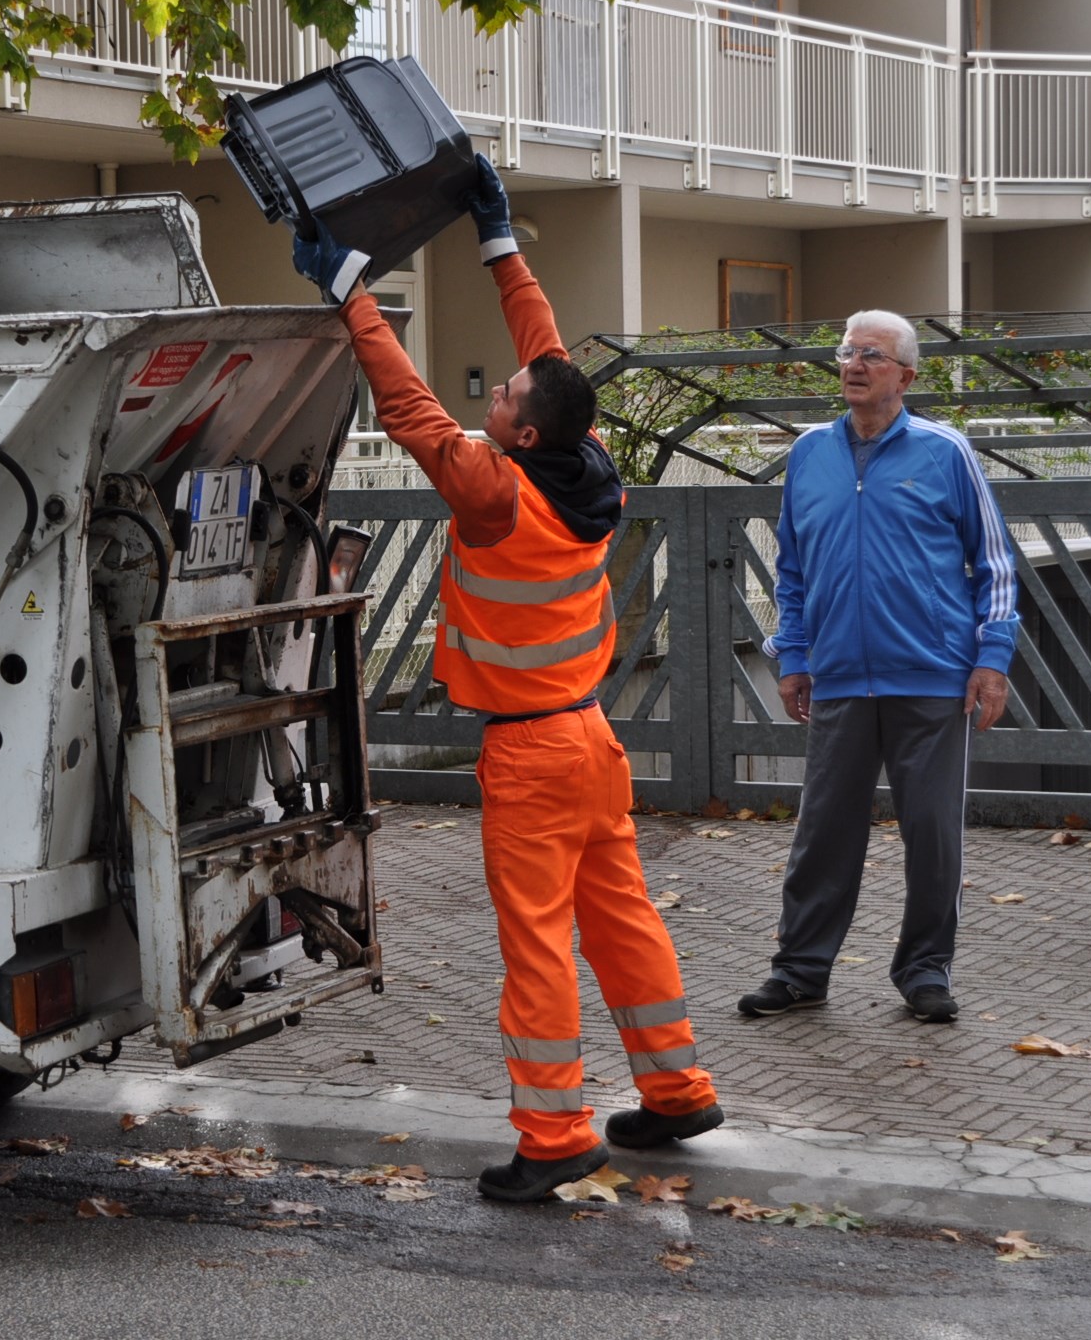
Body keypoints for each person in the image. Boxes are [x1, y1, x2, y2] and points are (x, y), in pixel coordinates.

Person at [291, 156, 723, 1202]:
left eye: (505, 398)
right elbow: (547, 353)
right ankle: (676, 1091)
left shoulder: (494, 494)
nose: (498, 387)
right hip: (590, 739)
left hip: (529, 752)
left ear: (521, 432)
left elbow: (408, 408)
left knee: (538, 944)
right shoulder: (589, 468)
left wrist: (347, 292)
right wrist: (497, 242)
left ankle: (554, 1133)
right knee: (620, 918)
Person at [745, 310, 1019, 1025]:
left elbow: (994, 563)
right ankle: (800, 971)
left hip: (932, 676)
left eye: (872, 354)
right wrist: (795, 655)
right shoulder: (809, 453)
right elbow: (793, 567)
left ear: (906, 374)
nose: (854, 364)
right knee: (823, 834)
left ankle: (925, 971)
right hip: (837, 676)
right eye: (846, 352)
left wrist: (992, 660)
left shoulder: (945, 451)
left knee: (932, 834)